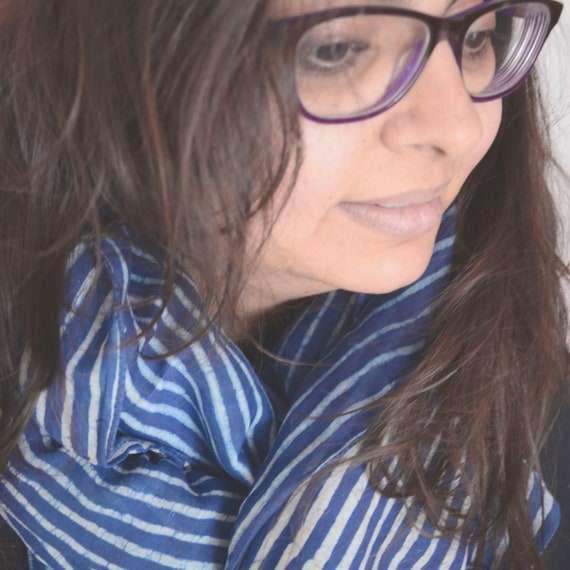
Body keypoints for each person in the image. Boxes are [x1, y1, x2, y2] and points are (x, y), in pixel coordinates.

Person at [0, 0, 568, 568]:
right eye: (337, 50)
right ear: (116, 59)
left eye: (477, 37)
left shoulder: (531, 415)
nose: (460, 126)